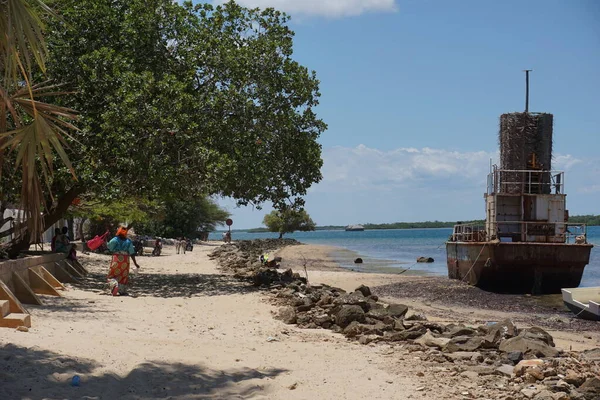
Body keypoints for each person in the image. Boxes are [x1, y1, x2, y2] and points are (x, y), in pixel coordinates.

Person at [106, 226, 140, 296]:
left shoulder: (115, 239)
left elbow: (110, 247)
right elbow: (132, 253)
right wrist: (135, 263)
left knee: (112, 274)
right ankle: (122, 291)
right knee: (123, 275)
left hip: (116, 258)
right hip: (125, 260)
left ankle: (114, 285)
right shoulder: (128, 241)